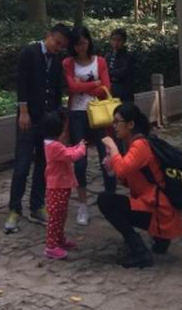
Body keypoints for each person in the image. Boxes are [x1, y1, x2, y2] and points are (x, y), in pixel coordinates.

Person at [98, 102, 182, 269]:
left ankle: (139, 250)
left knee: (105, 201)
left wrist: (113, 147)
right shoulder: (136, 143)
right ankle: (160, 239)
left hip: (158, 209)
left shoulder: (140, 145)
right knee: (114, 201)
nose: (114, 126)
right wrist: (112, 169)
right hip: (156, 206)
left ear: (130, 124)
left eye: (117, 122)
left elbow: (123, 169)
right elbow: (129, 177)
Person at [4, 23, 72, 234]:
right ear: (48, 35)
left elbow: (57, 91)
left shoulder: (57, 61)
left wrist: (59, 120)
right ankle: (14, 209)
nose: (58, 48)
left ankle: (37, 205)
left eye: (61, 46)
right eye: (56, 43)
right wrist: (23, 110)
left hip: (48, 120)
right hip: (29, 118)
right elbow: (21, 82)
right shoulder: (30, 52)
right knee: (22, 165)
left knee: (44, 165)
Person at [63, 25, 116, 227]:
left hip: (100, 113)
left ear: (89, 42)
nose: (81, 47)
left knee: (107, 158)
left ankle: (112, 200)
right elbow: (72, 87)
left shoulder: (99, 61)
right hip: (77, 114)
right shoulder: (68, 63)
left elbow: (106, 88)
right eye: (77, 44)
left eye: (84, 43)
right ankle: (83, 204)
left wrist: (83, 86)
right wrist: (94, 84)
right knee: (80, 161)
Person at [42, 111, 86, 260]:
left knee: (61, 215)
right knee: (55, 217)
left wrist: (77, 146)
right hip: (57, 187)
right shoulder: (54, 146)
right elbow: (70, 156)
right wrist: (81, 148)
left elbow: (67, 151)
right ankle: (51, 246)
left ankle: (59, 239)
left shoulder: (52, 145)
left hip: (61, 186)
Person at [107, 28, 135, 102]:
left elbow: (122, 72)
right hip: (110, 92)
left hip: (125, 93)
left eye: (119, 40)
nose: (116, 43)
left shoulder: (128, 56)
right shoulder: (108, 56)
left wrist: (109, 72)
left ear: (124, 41)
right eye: (113, 39)